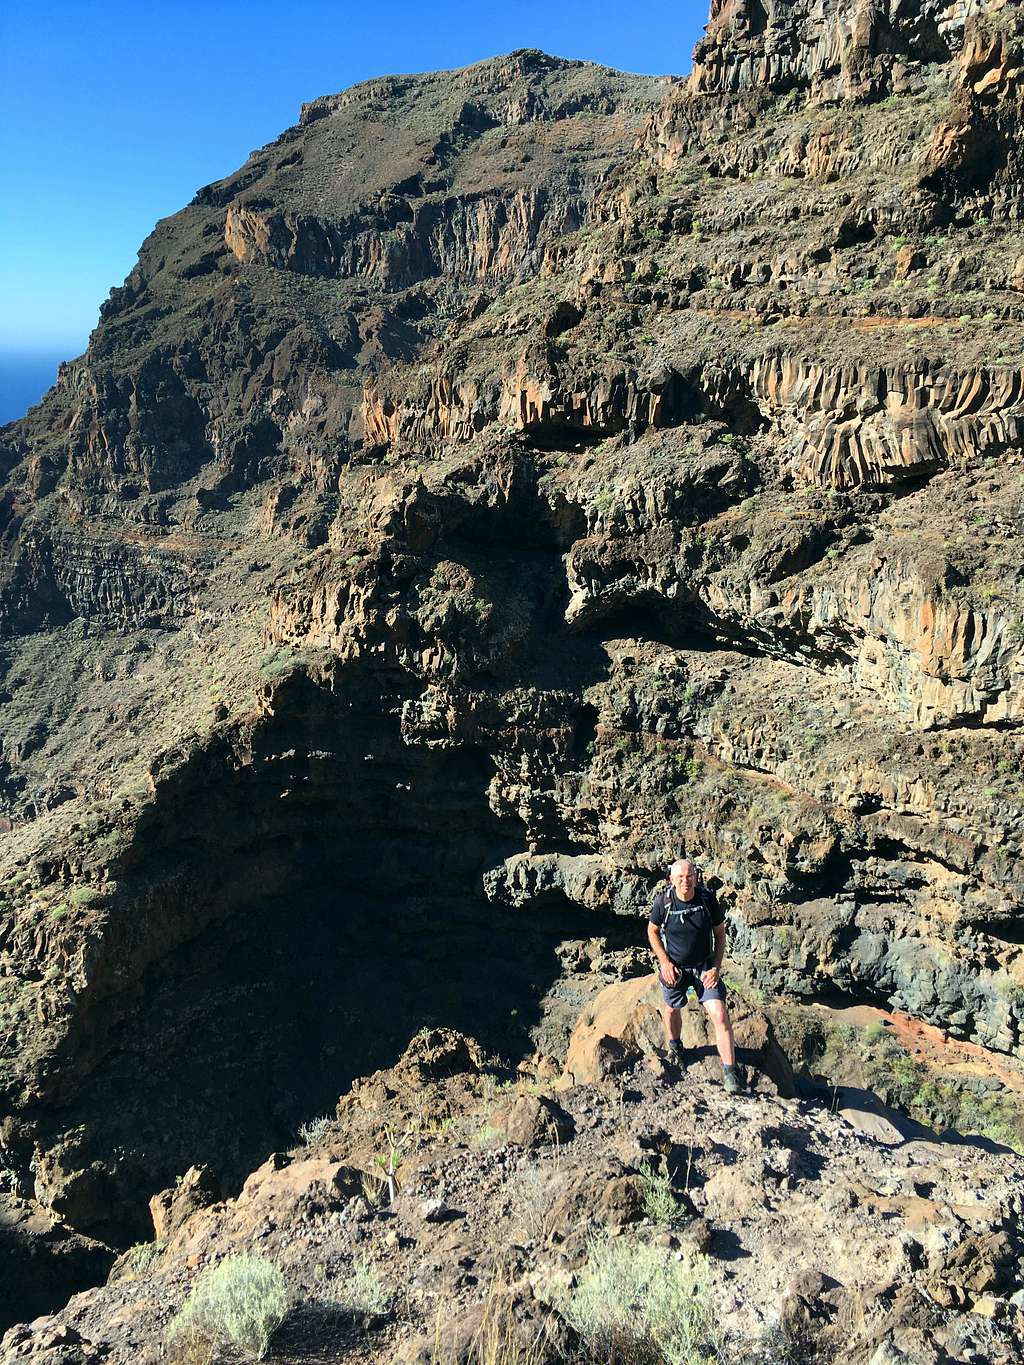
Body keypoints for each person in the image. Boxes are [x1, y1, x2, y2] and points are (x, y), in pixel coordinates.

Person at [647, 858, 746, 1094]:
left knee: (720, 1015)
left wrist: (715, 968)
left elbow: (720, 935)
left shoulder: (706, 900)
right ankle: (676, 1046)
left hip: (703, 966)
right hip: (676, 967)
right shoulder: (664, 902)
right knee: (671, 1009)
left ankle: (730, 1073)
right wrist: (664, 962)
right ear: (671, 879)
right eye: (680, 877)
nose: (685, 881)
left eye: (689, 876)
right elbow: (652, 931)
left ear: (696, 877)